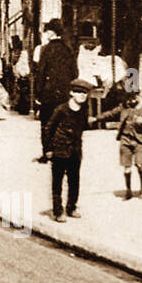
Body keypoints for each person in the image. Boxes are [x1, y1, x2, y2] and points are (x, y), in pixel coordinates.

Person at [44, 79, 91, 221]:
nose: (82, 96)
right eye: (79, 92)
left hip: (75, 151)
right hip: (60, 150)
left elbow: (84, 127)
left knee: (74, 181)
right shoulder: (61, 109)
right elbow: (49, 129)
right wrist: (48, 149)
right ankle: (58, 211)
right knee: (57, 182)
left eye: (85, 93)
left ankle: (71, 207)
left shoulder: (84, 110)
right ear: (71, 93)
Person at [34, 19, 77, 162]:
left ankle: (47, 152)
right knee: (62, 121)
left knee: (46, 123)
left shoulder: (45, 49)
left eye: (47, 31)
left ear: (51, 32)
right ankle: (62, 151)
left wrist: (38, 93)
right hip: (64, 92)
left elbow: (40, 73)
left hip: (49, 92)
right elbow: (74, 73)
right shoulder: (68, 49)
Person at [116, 90, 142, 200]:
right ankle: (128, 190)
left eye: (135, 96)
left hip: (138, 141)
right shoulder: (123, 108)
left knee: (140, 165)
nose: (132, 100)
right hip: (125, 140)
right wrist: (96, 118)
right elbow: (110, 113)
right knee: (127, 167)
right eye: (130, 98)